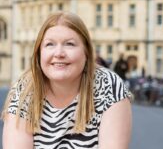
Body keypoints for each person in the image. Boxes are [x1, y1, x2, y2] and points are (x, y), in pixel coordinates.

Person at [1, 12, 132, 149]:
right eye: (50, 44)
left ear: (86, 52)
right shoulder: (25, 89)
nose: (59, 53)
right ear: (39, 53)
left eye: (69, 44)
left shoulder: (108, 86)